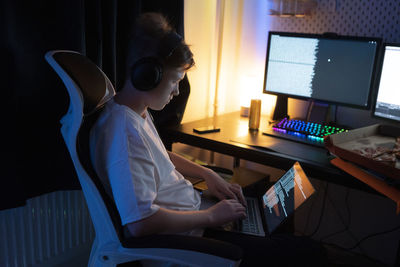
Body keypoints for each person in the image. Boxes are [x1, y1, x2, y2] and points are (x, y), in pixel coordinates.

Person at [90, 12, 327, 267]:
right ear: (148, 76)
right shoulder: (126, 133)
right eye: (175, 81)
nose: (177, 91)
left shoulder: (133, 112)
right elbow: (140, 224)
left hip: (198, 217)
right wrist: (212, 216)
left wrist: (207, 174)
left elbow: (156, 155)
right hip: (190, 242)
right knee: (311, 252)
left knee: (269, 209)